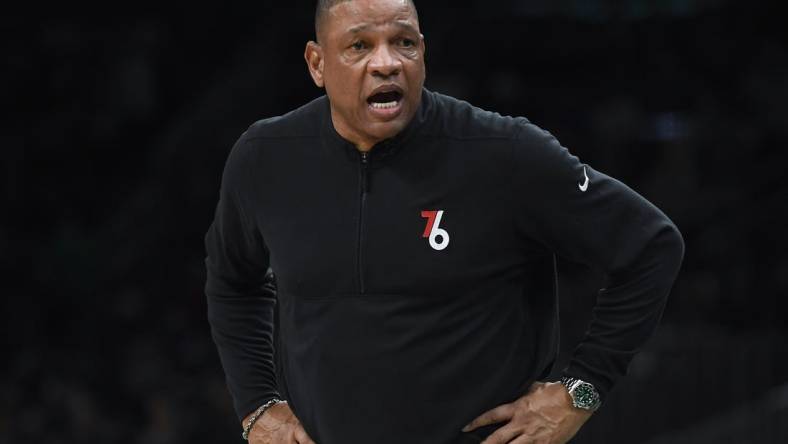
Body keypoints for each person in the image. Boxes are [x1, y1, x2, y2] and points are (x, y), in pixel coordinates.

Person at [203, 0, 685, 443]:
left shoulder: (503, 153)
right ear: (317, 63)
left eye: (404, 42)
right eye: (359, 46)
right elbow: (232, 282)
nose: (388, 62)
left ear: (423, 54)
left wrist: (581, 391)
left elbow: (652, 247)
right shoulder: (264, 159)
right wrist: (257, 406)